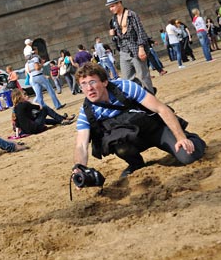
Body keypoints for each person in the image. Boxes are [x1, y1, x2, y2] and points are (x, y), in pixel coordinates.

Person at [72, 63, 206, 179]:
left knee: (188, 157)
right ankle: (136, 163)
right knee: (118, 144)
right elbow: (81, 145)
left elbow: (161, 109)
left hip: (155, 130)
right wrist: (79, 168)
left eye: (92, 82)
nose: (89, 88)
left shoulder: (124, 87)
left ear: (105, 82)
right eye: (83, 84)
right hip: (133, 141)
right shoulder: (87, 111)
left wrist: (181, 137)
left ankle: (193, 139)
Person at [106, 0, 154, 94]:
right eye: (110, 7)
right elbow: (116, 37)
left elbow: (140, 31)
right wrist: (113, 34)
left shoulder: (131, 15)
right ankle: (137, 100)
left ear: (119, 3)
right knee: (127, 80)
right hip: (123, 51)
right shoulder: (113, 20)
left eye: (112, 6)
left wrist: (141, 48)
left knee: (143, 76)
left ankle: (151, 98)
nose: (111, 9)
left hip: (135, 48)